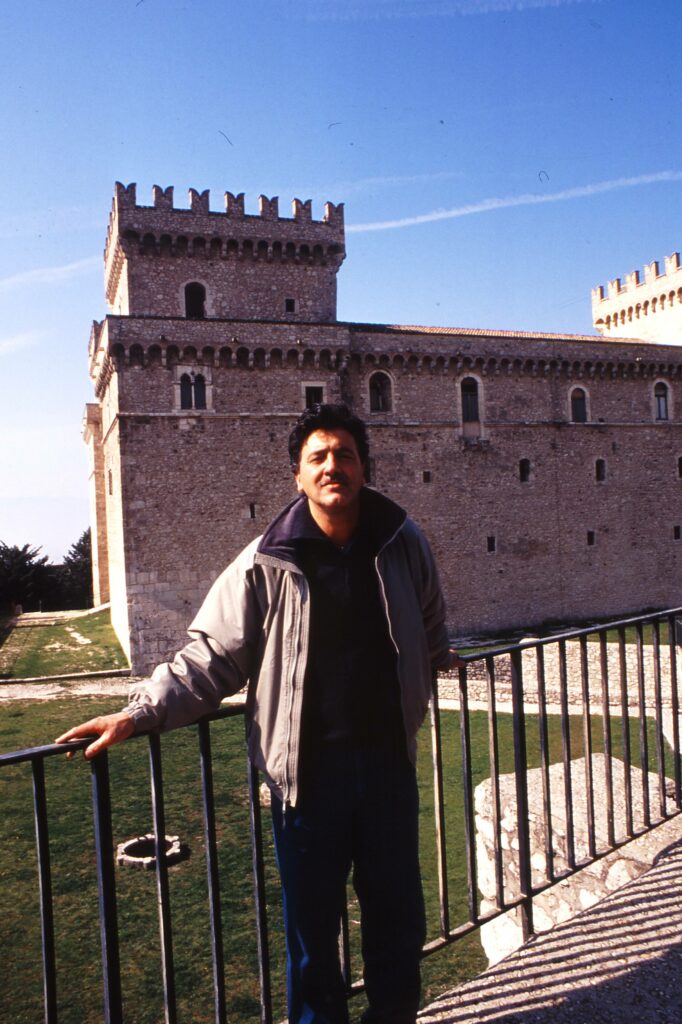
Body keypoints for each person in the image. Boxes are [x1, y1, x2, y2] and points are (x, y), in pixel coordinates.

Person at [57, 403, 460, 1024]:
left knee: (398, 925)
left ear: (365, 468)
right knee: (312, 944)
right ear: (297, 476)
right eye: (318, 457)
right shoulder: (265, 560)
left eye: (345, 454)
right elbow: (211, 658)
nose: (332, 466)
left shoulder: (403, 542)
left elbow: (429, 614)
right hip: (306, 782)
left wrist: (435, 655)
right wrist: (137, 714)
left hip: (388, 769)